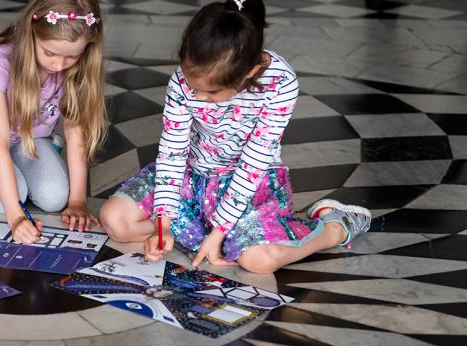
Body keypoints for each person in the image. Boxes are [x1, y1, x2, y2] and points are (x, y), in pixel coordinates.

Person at [100, 0, 371, 273]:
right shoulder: (183, 79)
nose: (198, 98)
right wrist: (163, 225)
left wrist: (218, 233)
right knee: (116, 222)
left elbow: (253, 163)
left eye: (212, 93)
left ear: (249, 74)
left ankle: (334, 225)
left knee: (258, 261)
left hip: (248, 183)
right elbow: (173, 153)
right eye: (193, 87)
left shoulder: (280, 82)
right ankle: (215, 232)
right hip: (190, 176)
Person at [0, 0, 107, 243]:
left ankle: (34, 158)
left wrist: (78, 201)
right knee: (5, 198)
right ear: (31, 33)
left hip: (31, 137)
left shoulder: (77, 70)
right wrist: (15, 217)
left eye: (71, 57)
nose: (58, 65)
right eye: (49, 53)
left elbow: (76, 136)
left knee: (55, 198)